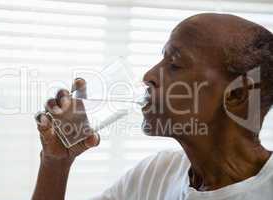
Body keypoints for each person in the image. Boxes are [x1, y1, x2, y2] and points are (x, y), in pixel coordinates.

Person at [32, 13, 273, 200]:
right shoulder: (157, 173)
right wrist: (55, 163)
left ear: (237, 94)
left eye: (175, 64)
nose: (148, 75)